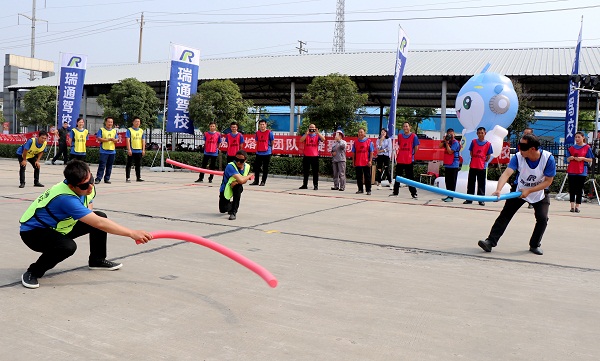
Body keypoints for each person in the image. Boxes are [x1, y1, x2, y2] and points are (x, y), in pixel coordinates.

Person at [18, 160, 153, 289]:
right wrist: (132, 233)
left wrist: (90, 215)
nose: (90, 187)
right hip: (34, 233)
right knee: (68, 246)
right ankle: (33, 272)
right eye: (84, 186)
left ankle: (97, 260)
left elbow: (91, 209)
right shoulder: (65, 198)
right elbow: (99, 223)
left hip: (59, 227)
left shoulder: (87, 186)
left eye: (91, 180)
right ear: (71, 186)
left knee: (100, 216)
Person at [478, 134, 556, 256]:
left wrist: (530, 191)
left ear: (533, 149)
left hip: (539, 192)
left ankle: (534, 245)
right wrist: (499, 189)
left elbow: (548, 181)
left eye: (523, 146)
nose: (519, 149)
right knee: (505, 215)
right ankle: (490, 241)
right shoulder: (518, 157)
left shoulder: (548, 159)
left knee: (542, 218)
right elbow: (506, 174)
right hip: (519, 190)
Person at [219, 150, 253, 220]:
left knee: (238, 188)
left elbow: (243, 181)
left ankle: (233, 212)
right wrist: (249, 176)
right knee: (223, 209)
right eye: (237, 159)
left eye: (241, 160)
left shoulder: (247, 167)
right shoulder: (230, 166)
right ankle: (233, 204)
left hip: (236, 186)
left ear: (245, 160)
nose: (238, 162)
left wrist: (237, 182)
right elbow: (242, 179)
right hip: (226, 189)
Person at [464, 127, 493, 206]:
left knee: (481, 184)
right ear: (477, 134)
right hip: (473, 165)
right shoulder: (473, 142)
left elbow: (488, 155)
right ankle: (469, 199)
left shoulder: (488, 144)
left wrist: (484, 161)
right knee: (471, 183)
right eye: (479, 133)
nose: (480, 134)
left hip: (482, 167)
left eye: (482, 133)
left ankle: (481, 200)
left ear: (485, 133)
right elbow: (471, 152)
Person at [566, 131, 594, 213]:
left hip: (582, 170)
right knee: (572, 188)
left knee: (579, 189)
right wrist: (570, 158)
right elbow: (567, 159)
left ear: (583, 137)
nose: (577, 139)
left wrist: (582, 158)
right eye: (576, 137)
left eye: (579, 137)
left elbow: (590, 159)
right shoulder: (571, 148)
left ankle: (577, 206)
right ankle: (571, 206)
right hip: (572, 170)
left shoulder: (587, 147)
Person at [390, 122, 419, 199]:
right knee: (397, 177)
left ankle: (414, 193)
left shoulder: (414, 136)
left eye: (406, 126)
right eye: (404, 126)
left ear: (410, 127)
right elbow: (399, 145)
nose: (405, 128)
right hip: (400, 159)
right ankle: (395, 192)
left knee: (410, 177)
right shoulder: (400, 136)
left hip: (409, 160)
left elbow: (416, 148)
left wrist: (411, 154)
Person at [299, 123, 326, 190]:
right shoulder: (306, 135)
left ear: (315, 128)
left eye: (313, 128)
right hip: (306, 156)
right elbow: (301, 140)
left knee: (315, 172)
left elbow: (323, 139)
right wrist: (306, 133)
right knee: (306, 171)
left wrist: (318, 133)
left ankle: (315, 185)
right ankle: (305, 185)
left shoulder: (317, 136)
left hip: (315, 156)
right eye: (310, 128)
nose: (312, 129)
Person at [250, 119, 275, 186]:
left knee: (265, 168)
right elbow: (256, 141)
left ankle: (263, 181)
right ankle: (256, 181)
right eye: (261, 124)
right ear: (259, 125)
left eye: (263, 124)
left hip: (267, 153)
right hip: (259, 152)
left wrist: (269, 148)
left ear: (266, 125)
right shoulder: (257, 133)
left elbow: (272, 142)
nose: (262, 126)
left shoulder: (269, 132)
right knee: (257, 167)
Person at [95, 117, 118, 184]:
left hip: (112, 151)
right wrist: (107, 140)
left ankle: (107, 178)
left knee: (109, 166)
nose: (110, 123)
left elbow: (117, 140)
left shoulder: (114, 131)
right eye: (109, 122)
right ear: (106, 122)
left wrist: (114, 140)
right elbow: (98, 138)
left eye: (111, 122)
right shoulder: (101, 130)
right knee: (102, 165)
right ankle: (98, 178)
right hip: (104, 151)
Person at [440, 128, 460, 202]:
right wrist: (445, 140)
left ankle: (451, 197)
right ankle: (448, 195)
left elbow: (450, 151)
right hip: (447, 164)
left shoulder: (455, 143)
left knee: (452, 182)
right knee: (447, 181)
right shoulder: (446, 141)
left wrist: (447, 143)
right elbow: (439, 146)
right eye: (449, 134)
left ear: (454, 134)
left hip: (454, 165)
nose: (450, 136)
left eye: (451, 134)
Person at [352, 127, 374, 195]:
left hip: (366, 162)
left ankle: (368, 190)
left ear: (364, 133)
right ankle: (360, 189)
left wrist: (370, 161)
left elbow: (371, 152)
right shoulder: (355, 142)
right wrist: (353, 162)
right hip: (358, 162)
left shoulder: (368, 141)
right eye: (359, 132)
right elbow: (353, 153)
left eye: (362, 132)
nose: (360, 133)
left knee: (367, 177)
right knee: (359, 177)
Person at [125, 117, 146, 183]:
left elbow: (143, 141)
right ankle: (128, 177)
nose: (137, 123)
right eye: (136, 121)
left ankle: (138, 177)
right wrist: (129, 149)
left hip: (139, 150)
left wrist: (143, 150)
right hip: (132, 150)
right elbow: (127, 140)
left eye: (139, 121)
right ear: (133, 122)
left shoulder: (141, 131)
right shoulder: (129, 130)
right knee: (129, 164)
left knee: (138, 165)